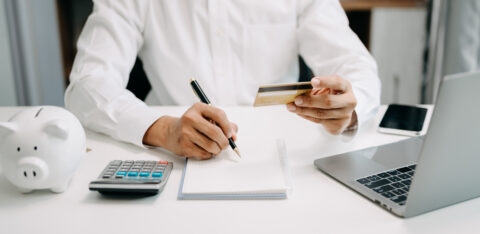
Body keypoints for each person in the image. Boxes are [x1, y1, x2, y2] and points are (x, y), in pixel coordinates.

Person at [65, 0, 380, 160]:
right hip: (172, 158)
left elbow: (356, 65)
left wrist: (347, 111)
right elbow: (87, 84)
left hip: (278, 155)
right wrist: (163, 129)